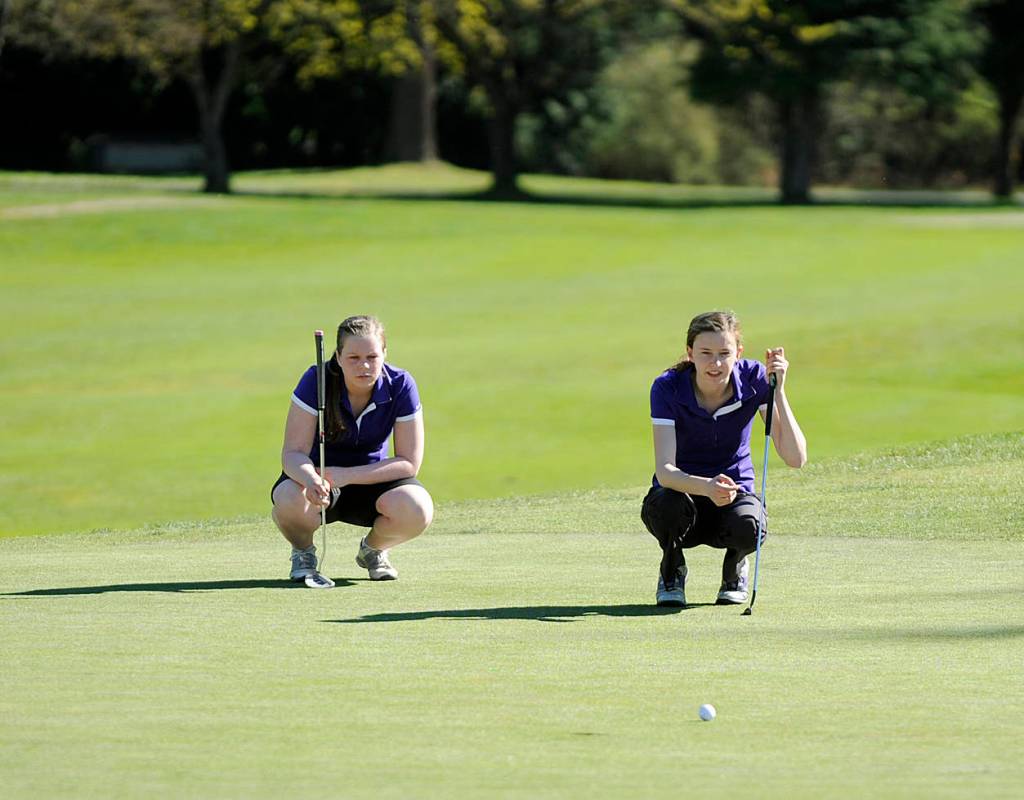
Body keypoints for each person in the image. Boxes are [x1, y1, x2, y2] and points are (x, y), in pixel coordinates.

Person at [642, 311, 807, 607]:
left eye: (724, 353)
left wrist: (778, 390)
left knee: (749, 525)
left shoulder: (754, 379)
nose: (715, 364)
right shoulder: (667, 387)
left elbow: (796, 458)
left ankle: (734, 568)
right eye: (705, 353)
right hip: (682, 497)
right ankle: (672, 568)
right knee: (665, 506)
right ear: (690, 352)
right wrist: (707, 487)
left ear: (738, 353)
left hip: (735, 495)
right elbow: (665, 472)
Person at [271, 315, 433, 583]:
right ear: (338, 356)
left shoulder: (401, 385)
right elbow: (292, 453)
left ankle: (373, 550)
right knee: (288, 497)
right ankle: (303, 552)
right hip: (318, 479)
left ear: (384, 354)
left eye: (372, 356)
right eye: (353, 358)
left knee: (417, 508)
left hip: (372, 480)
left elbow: (408, 463)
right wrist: (311, 478)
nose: (364, 366)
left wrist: (346, 476)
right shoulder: (316, 380)